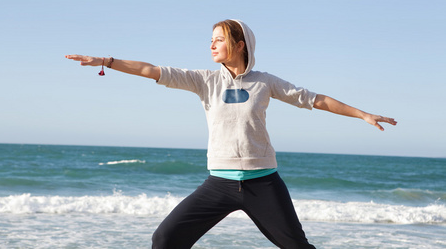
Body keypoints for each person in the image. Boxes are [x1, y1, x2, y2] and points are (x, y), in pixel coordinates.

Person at [66, 19, 397, 248]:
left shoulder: (265, 82)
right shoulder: (204, 81)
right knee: (165, 239)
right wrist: (107, 60)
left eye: (219, 39)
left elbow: (315, 99)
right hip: (218, 185)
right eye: (210, 39)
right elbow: (150, 70)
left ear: (240, 44)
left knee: (297, 246)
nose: (212, 44)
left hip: (263, 183)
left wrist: (362, 114)